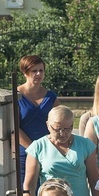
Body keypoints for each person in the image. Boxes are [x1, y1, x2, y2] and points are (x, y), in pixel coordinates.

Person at [22, 106, 99, 196]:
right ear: (48, 125)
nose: (63, 133)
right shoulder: (38, 147)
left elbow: (94, 181)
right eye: (57, 129)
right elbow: (29, 186)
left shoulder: (85, 145)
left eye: (68, 128)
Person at [17, 55, 60, 186]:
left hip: (48, 153)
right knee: (26, 192)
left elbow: (60, 122)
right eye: (34, 71)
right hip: (25, 153)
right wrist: (34, 150)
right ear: (25, 72)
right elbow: (13, 128)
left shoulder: (51, 97)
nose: (38, 74)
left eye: (41, 70)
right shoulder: (15, 95)